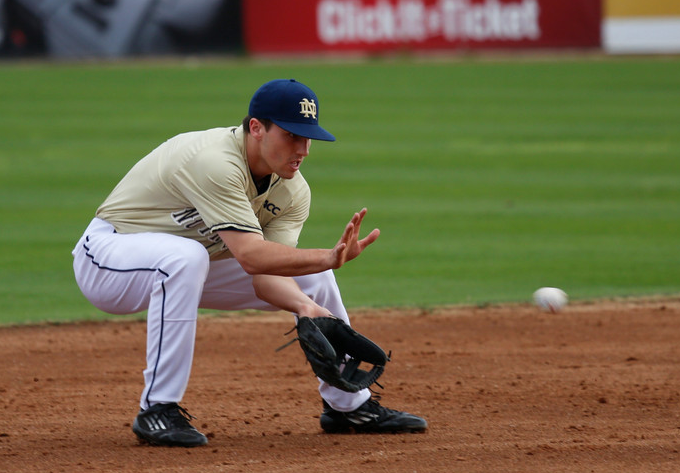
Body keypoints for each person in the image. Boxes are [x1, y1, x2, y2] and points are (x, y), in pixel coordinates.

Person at [71, 78, 427, 447]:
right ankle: (158, 409)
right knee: (186, 257)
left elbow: (264, 273)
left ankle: (348, 406)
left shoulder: (292, 190)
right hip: (109, 258)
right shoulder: (215, 161)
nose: (303, 149)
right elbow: (251, 255)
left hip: (190, 266)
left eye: (308, 138)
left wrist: (307, 307)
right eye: (292, 135)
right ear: (256, 128)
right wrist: (329, 256)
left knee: (313, 279)